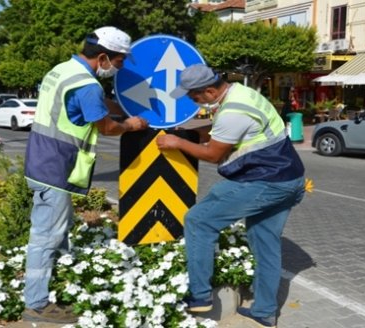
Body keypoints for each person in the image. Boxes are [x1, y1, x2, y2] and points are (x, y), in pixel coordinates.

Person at [156, 64, 305, 328]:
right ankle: (264, 312)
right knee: (265, 243)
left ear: (210, 91)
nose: (192, 101)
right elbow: (221, 130)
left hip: (265, 181)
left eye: (194, 96)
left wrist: (178, 142)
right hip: (290, 179)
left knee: (198, 221)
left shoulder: (233, 111)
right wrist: (192, 133)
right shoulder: (241, 94)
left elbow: (214, 154)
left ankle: (200, 296)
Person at [22, 26, 148, 324]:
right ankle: (36, 305)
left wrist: (122, 107)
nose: (119, 68)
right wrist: (131, 125)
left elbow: (92, 107)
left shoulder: (63, 70)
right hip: (55, 167)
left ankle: (57, 280)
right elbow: (106, 127)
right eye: (118, 62)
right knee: (46, 236)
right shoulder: (87, 86)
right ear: (103, 56)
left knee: (56, 233)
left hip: (41, 161)